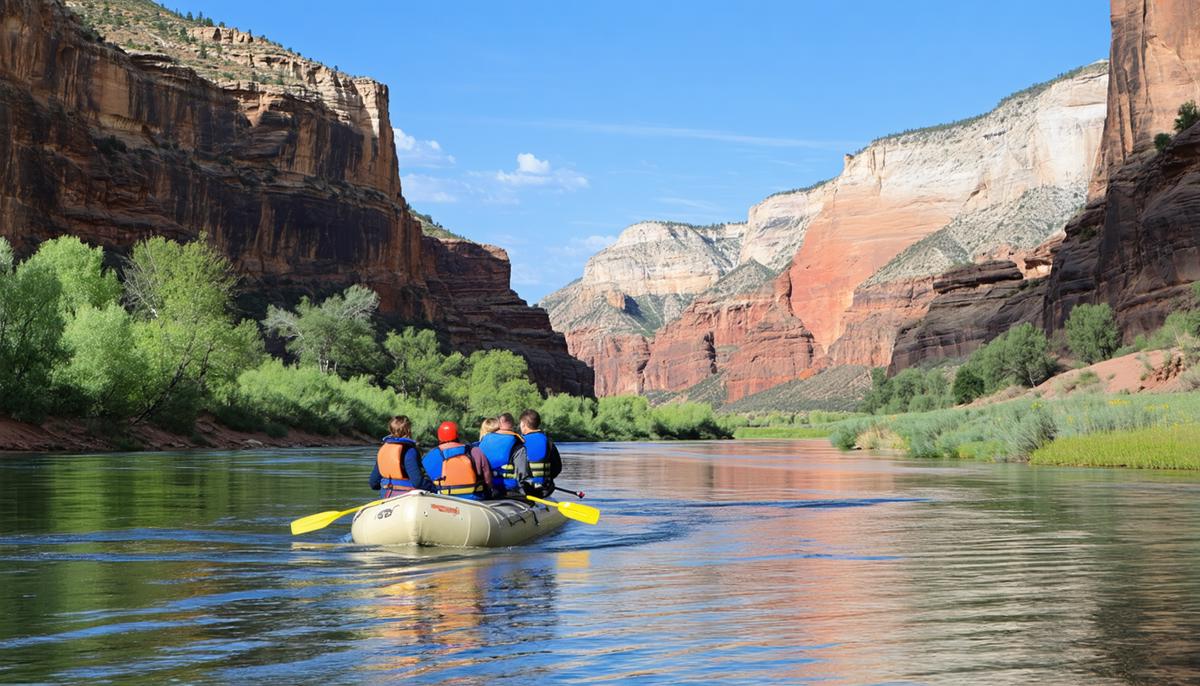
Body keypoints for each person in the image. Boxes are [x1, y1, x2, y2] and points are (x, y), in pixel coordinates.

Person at [422, 421, 494, 500]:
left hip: (445, 500)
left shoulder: (430, 456)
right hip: (475, 498)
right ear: (458, 435)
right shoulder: (475, 450)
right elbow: (487, 477)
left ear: (439, 436)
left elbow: (425, 480)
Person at [369, 415, 433, 497]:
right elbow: (418, 483)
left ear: (390, 430)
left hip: (386, 495)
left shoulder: (383, 449)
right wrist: (434, 488)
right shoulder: (410, 451)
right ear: (409, 431)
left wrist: (387, 486)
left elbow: (373, 484)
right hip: (407, 497)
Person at [513, 409, 562, 498]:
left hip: (524, 490)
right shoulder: (548, 442)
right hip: (545, 490)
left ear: (523, 424)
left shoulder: (518, 442)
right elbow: (557, 468)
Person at [478, 413, 524, 498]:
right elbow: (523, 473)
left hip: (486, 488)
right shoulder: (517, 442)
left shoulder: (483, 440)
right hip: (509, 489)